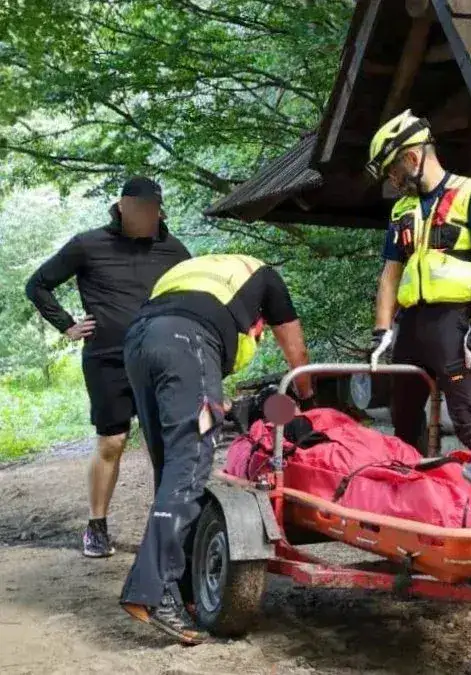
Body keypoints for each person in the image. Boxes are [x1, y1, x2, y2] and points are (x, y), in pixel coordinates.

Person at [118, 253, 314, 644]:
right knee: (190, 463)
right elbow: (295, 348)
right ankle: (152, 592)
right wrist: (308, 398)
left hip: (139, 344)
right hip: (187, 343)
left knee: (173, 468)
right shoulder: (264, 274)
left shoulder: (189, 276)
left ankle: (179, 588)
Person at [24, 176, 191, 559]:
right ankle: (96, 527)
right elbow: (37, 285)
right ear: (120, 208)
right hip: (107, 358)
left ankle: (167, 528)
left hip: (161, 358)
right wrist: (66, 324)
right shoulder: (88, 244)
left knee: (162, 444)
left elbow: (196, 291)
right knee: (112, 441)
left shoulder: (174, 250)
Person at [365, 109, 471, 455]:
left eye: (394, 171)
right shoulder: (401, 212)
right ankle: (411, 498)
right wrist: (382, 331)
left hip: (453, 324)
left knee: (470, 423)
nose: (394, 181)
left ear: (413, 157)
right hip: (410, 325)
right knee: (405, 424)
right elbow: (390, 273)